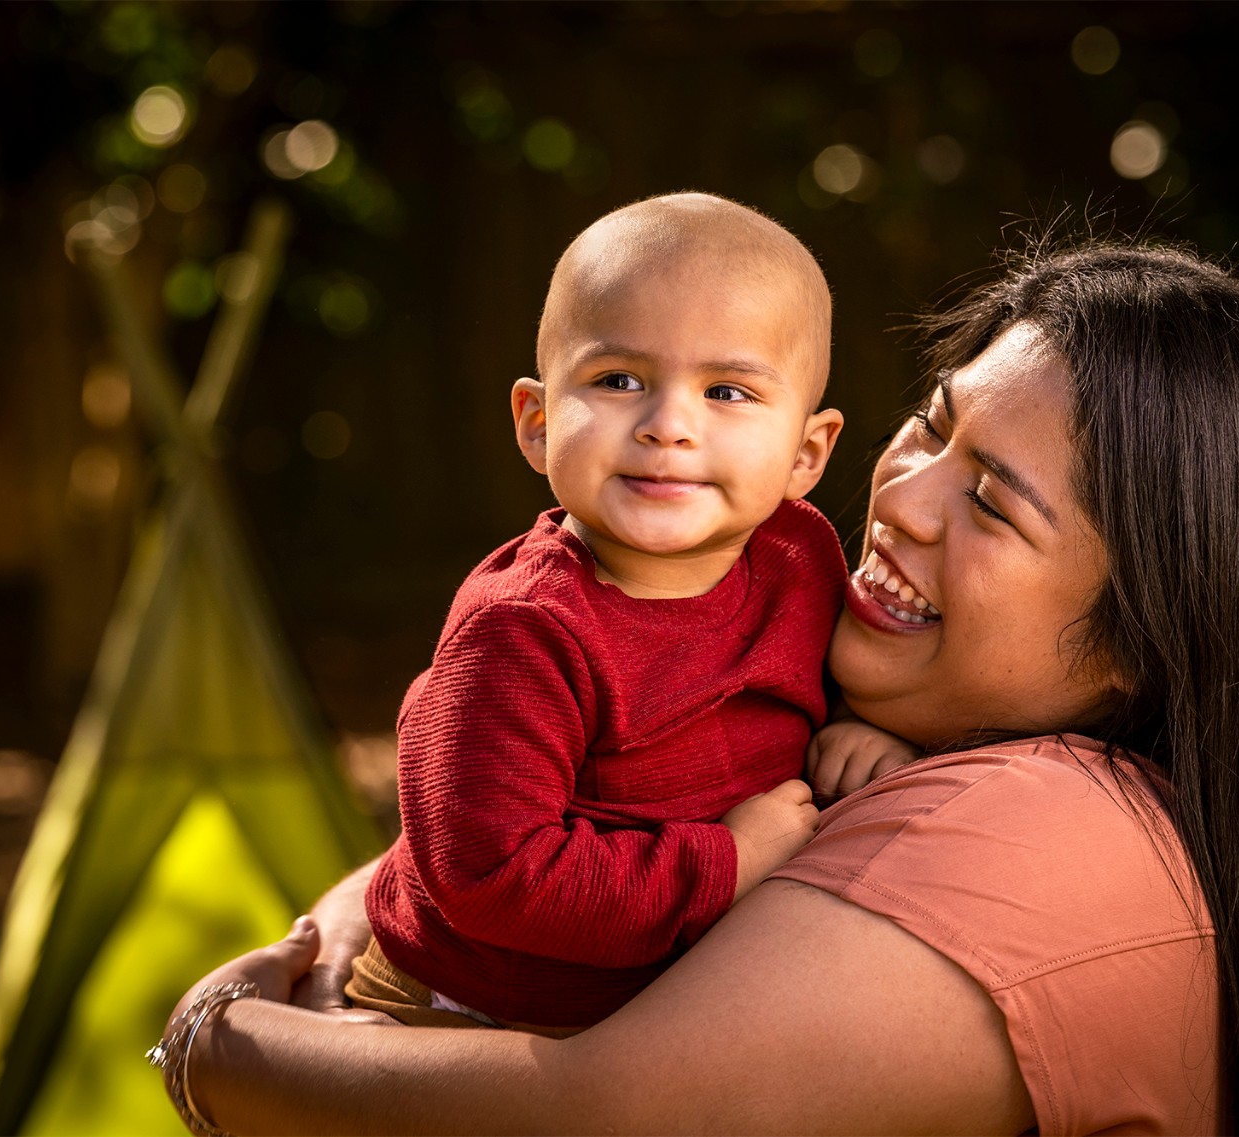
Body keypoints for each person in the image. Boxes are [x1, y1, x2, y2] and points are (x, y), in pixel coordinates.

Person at [153, 242, 1239, 1135]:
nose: (898, 497)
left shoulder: (1047, 836)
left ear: (1148, 641)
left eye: (989, 502)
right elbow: (467, 831)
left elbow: (601, 1118)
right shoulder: (791, 649)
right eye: (931, 424)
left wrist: (220, 1045)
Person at [350, 192, 916, 1035]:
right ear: (538, 423)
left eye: (727, 390)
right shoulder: (524, 631)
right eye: (619, 381)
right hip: (473, 1008)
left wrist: (857, 723)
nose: (668, 425)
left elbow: (808, 675)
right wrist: (730, 861)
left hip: (657, 1005)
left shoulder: (798, 556)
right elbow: (492, 876)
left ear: (805, 453)